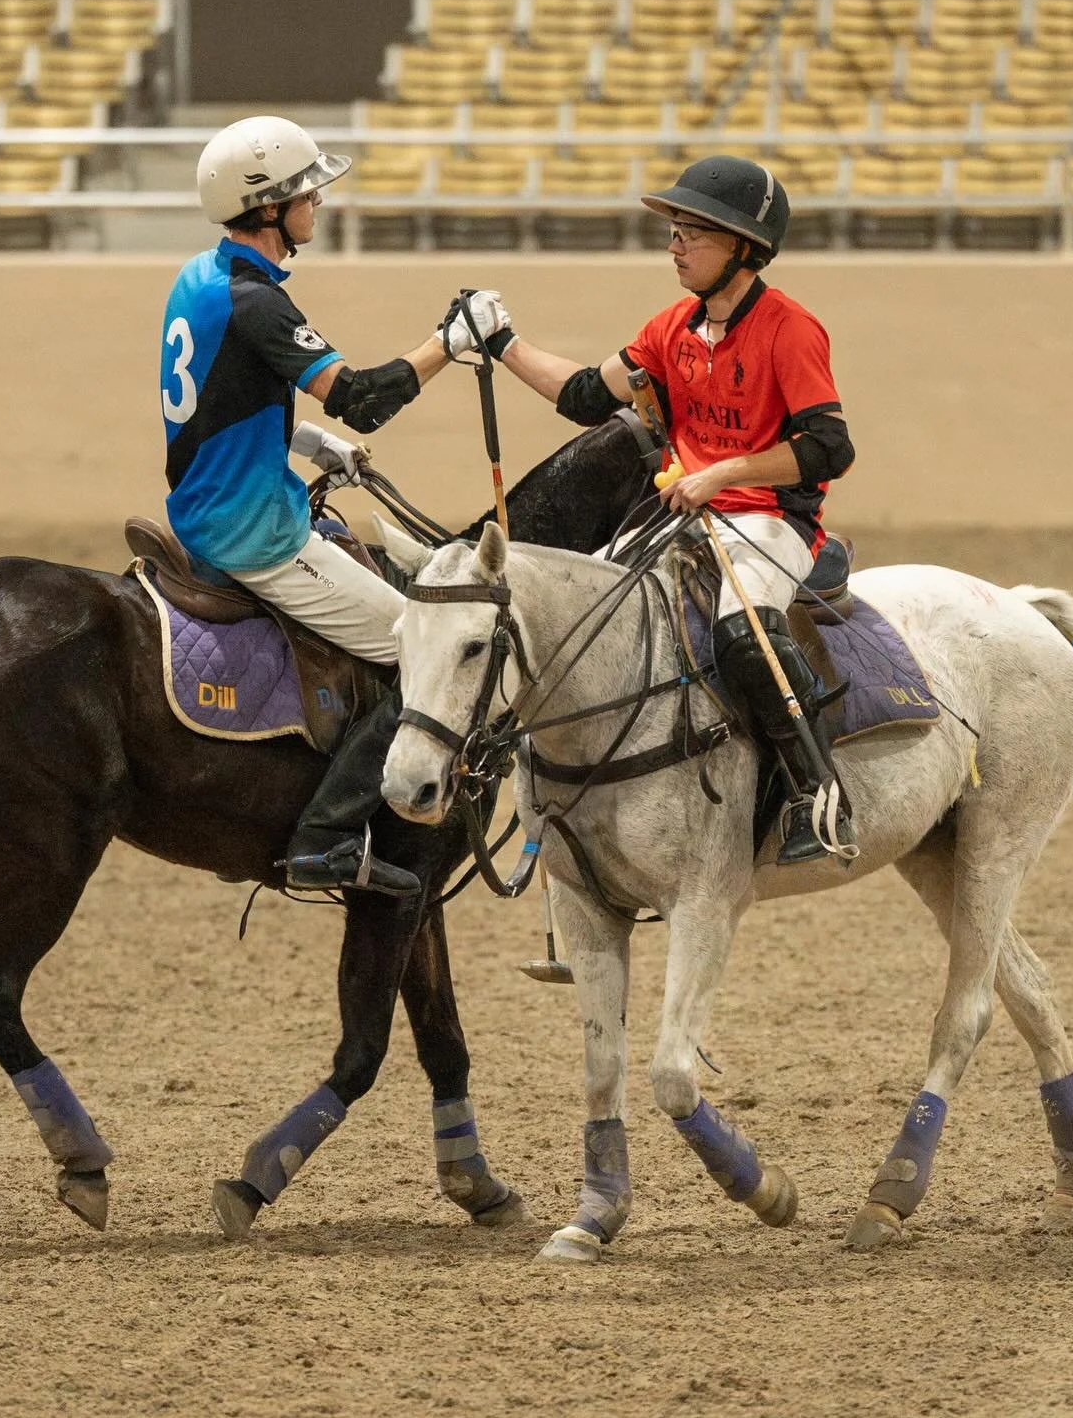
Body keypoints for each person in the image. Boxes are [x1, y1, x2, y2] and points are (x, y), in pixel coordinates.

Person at [160, 112, 507, 895]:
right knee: (412, 646)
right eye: (308, 191)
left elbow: (224, 398)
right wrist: (447, 345)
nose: (319, 202)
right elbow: (364, 398)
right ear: (272, 205)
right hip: (253, 530)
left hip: (207, 498)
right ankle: (326, 836)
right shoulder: (260, 305)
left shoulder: (201, 278)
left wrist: (306, 442)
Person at [486, 154, 858, 865]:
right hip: (683, 514)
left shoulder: (790, 329)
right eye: (675, 230)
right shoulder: (671, 328)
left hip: (770, 520)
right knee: (571, 619)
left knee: (744, 635)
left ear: (745, 248)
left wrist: (724, 472)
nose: (675, 244)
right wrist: (503, 342)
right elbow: (586, 399)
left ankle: (817, 791)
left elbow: (829, 447)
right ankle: (556, 813)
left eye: (694, 232)